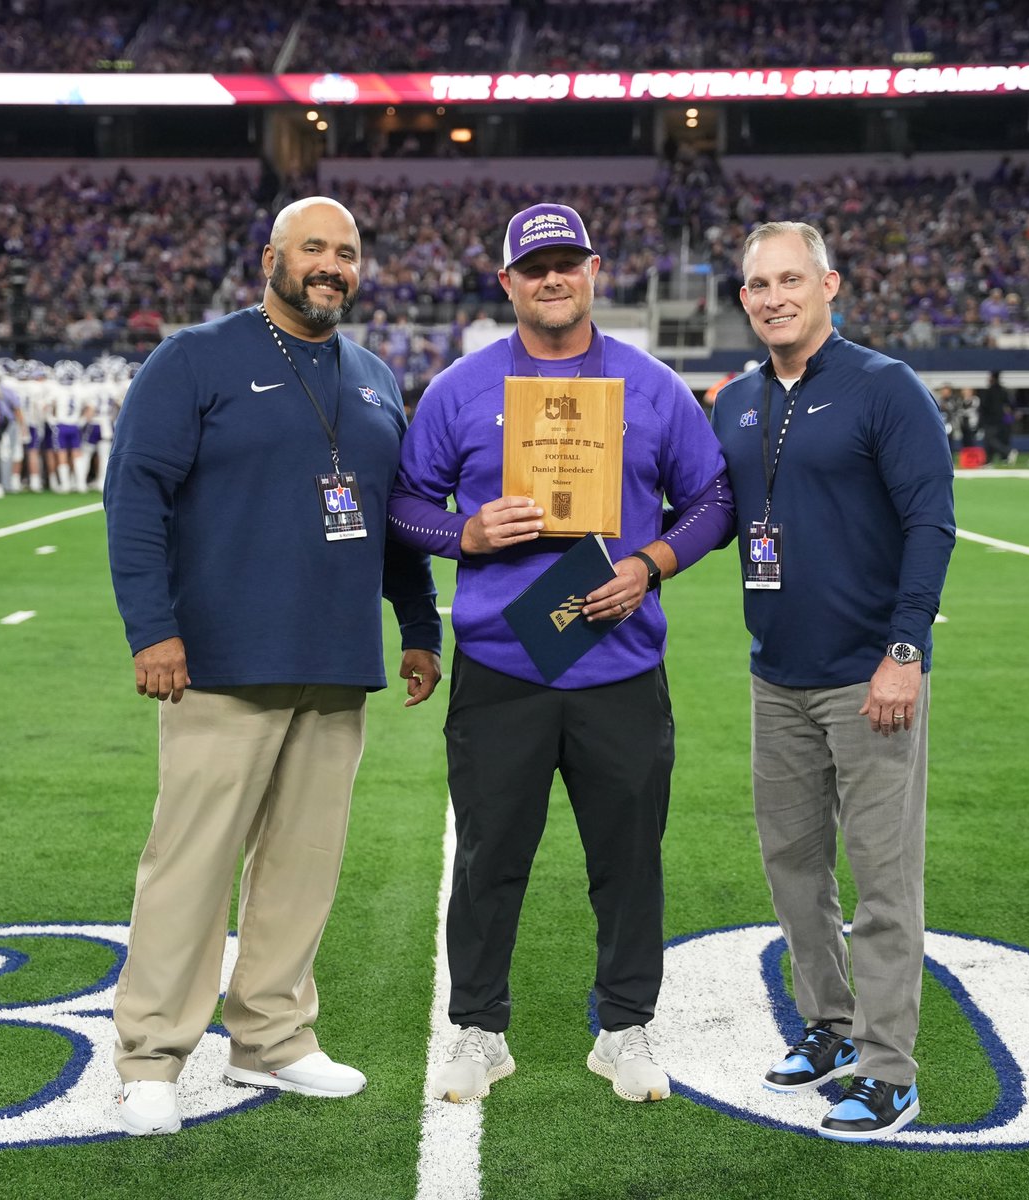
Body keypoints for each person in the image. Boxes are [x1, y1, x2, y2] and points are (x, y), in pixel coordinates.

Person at [103, 196, 443, 1137]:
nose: (332, 265)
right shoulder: (196, 357)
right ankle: (150, 1056)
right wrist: (151, 630)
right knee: (191, 865)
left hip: (335, 666)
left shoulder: (374, 378)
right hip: (219, 662)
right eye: (314, 249)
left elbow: (393, 519)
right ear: (271, 259)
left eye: (348, 253)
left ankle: (273, 1039)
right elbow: (135, 494)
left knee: (303, 868)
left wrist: (418, 624)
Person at [388, 202, 734, 1105]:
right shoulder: (461, 389)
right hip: (504, 665)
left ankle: (624, 1024)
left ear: (594, 274)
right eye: (534, 266)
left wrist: (652, 562)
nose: (552, 278)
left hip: (619, 663)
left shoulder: (652, 386)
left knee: (628, 858)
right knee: (489, 855)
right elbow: (404, 506)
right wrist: (466, 531)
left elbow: (714, 501)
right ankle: (478, 1028)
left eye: (567, 263)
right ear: (507, 282)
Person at [710, 221, 955, 1143]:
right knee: (794, 868)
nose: (774, 297)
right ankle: (828, 1024)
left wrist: (905, 651)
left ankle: (890, 1072)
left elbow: (931, 522)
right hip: (775, 675)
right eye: (758, 285)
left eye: (790, 281)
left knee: (884, 881)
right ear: (743, 299)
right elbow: (707, 514)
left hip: (868, 676)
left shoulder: (886, 388)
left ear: (829, 285)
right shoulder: (733, 402)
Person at [979, 370, 1014, 464]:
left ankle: (1007, 451)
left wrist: (981, 420)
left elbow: (984, 406)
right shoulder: (1003, 390)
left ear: (992, 378)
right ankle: (989, 460)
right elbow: (1009, 405)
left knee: (990, 440)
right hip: (1001, 420)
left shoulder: (989, 391)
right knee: (991, 439)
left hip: (990, 420)